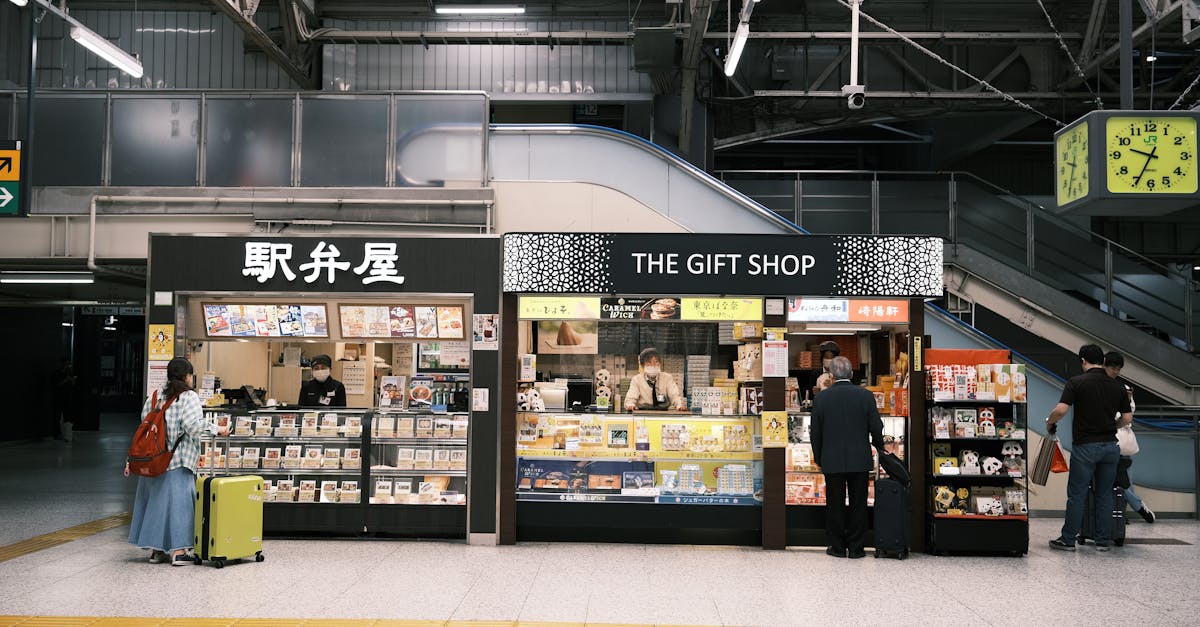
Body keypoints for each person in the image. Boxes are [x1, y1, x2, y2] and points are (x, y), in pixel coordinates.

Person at [127, 356, 228, 565]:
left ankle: (157, 551)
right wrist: (218, 429)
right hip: (177, 460)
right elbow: (192, 426)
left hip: (153, 460)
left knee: (156, 505)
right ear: (187, 376)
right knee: (180, 506)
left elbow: (144, 424)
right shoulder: (188, 397)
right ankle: (179, 551)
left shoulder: (154, 396)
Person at [1046, 344, 1132, 552]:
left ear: (1083, 360)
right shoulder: (1117, 386)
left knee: (1077, 494)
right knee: (1104, 494)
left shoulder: (1076, 382)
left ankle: (1068, 540)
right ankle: (1102, 541)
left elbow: (1061, 409)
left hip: (1085, 447)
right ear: (1102, 361)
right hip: (1111, 447)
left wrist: (1050, 422)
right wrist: (1113, 426)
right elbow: (1127, 418)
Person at [810, 356, 885, 558]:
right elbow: (876, 427)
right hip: (859, 458)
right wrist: (880, 446)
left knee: (834, 503)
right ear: (852, 374)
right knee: (858, 503)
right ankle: (856, 548)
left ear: (831, 376)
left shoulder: (821, 398)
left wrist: (819, 457)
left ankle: (836, 547)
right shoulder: (865, 396)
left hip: (831, 459)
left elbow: (815, 433)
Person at [1103, 352, 1155, 523]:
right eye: (1113, 368)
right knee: (1119, 481)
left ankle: (1121, 513)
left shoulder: (1124, 388)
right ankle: (1136, 507)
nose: (1115, 372)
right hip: (1110, 440)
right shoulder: (1100, 385)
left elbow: (1129, 414)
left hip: (1122, 441)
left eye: (1118, 369)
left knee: (1125, 481)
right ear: (1104, 365)